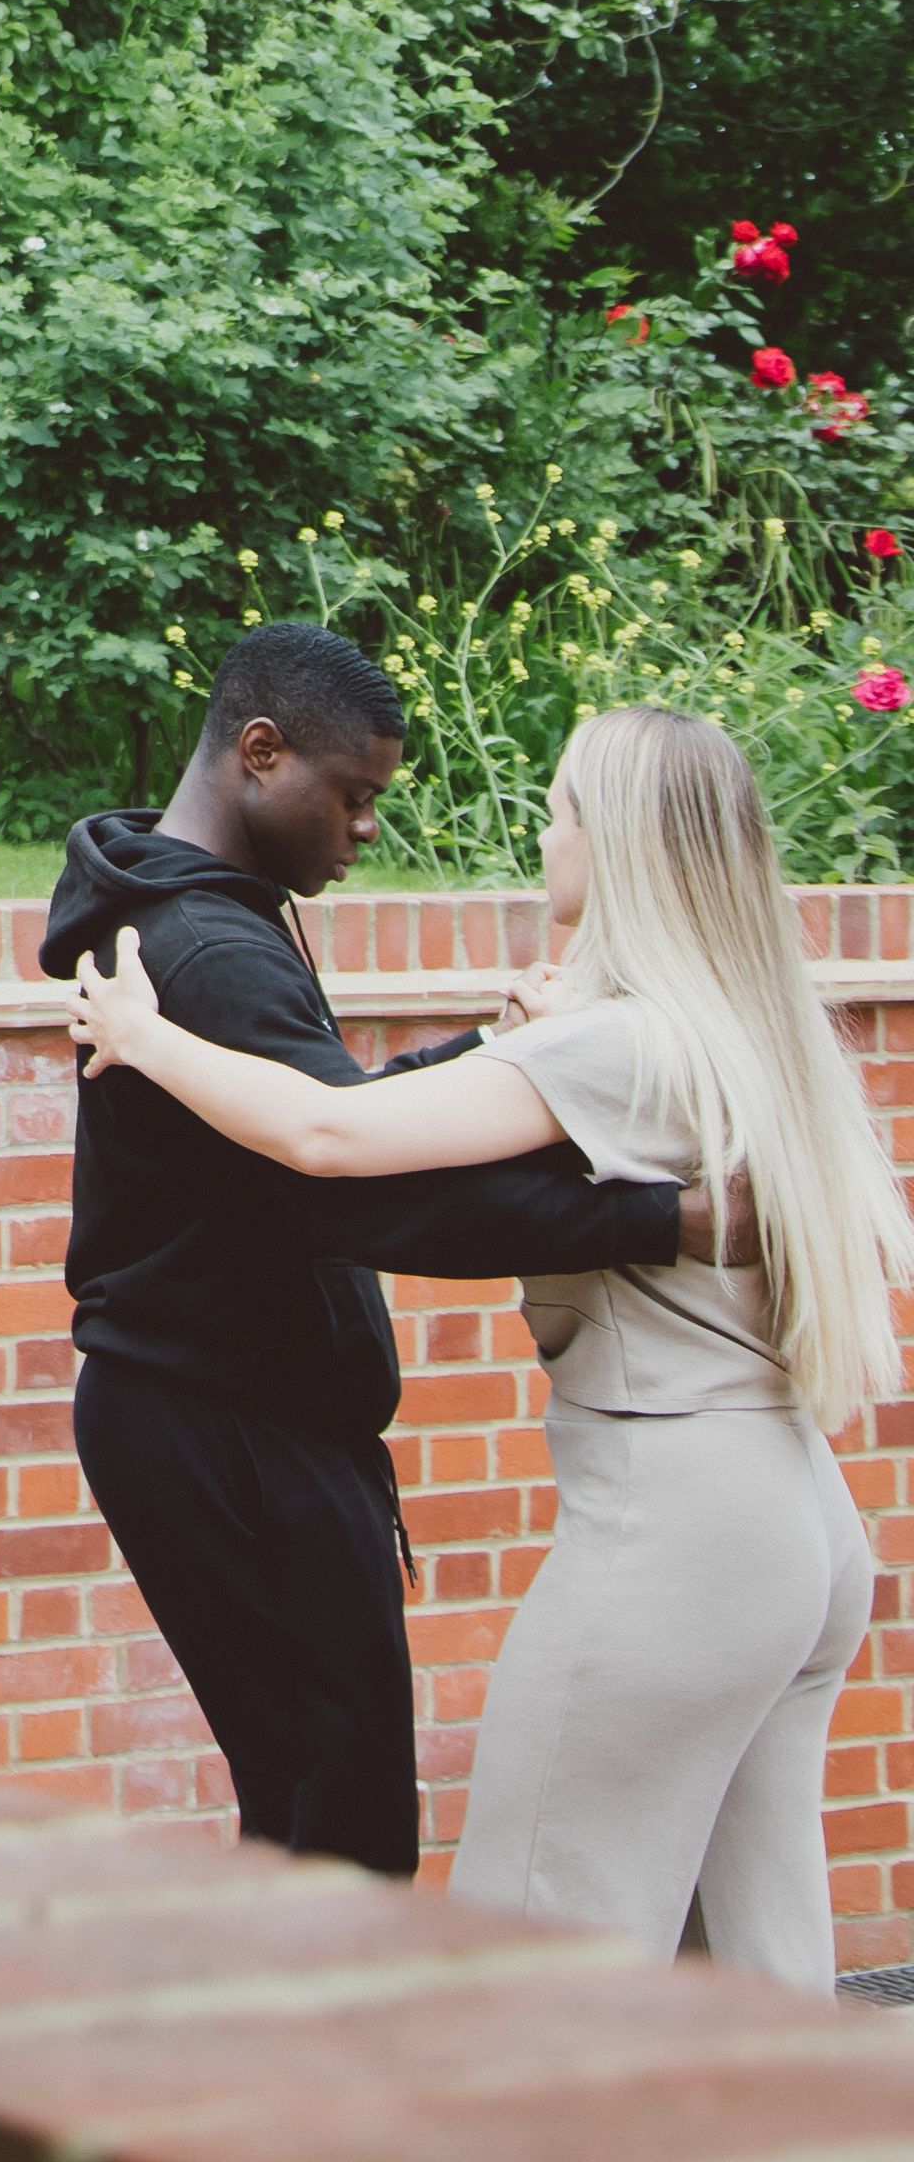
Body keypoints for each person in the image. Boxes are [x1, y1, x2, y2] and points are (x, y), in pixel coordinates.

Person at [74, 703, 905, 1989]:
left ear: (616, 843)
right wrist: (510, 1042)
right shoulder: (745, 1021)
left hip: (674, 1540)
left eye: (563, 807)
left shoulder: (619, 1040)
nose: (542, 828)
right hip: (794, 1528)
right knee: (753, 1965)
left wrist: (147, 1039)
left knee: (523, 1969)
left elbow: (332, 1141)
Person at [38, 626, 691, 1878]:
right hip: (227, 1425)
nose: (366, 828)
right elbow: (359, 1197)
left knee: (311, 1813)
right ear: (259, 753)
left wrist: (482, 1063)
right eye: (353, 797)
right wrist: (660, 1221)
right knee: (336, 1831)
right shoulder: (210, 949)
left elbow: (324, 1114)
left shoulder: (193, 916)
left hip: (215, 1411)